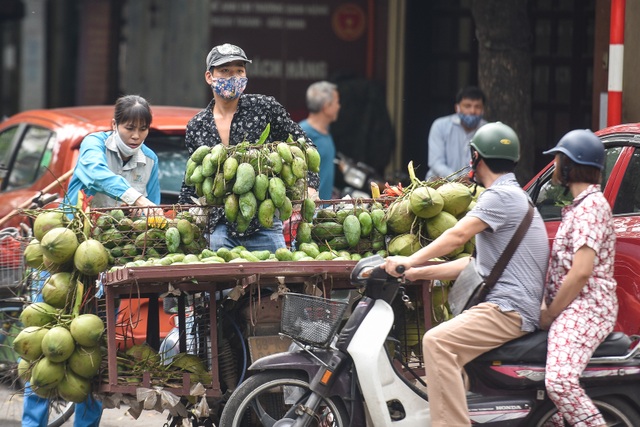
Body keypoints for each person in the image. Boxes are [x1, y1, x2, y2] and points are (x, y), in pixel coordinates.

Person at [383, 122, 550, 427]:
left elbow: (457, 237)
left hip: (507, 309)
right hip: (510, 306)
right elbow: (472, 266)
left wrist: (407, 258)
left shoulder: (500, 197)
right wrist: (417, 273)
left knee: (436, 342)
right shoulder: (512, 196)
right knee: (448, 349)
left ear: (476, 157)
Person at [23, 95, 160, 427]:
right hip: (67, 259)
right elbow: (95, 175)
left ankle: (87, 423)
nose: (136, 135)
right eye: (129, 127)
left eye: (143, 129)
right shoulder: (93, 145)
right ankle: (32, 423)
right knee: (47, 344)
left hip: (107, 263)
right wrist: (135, 198)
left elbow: (151, 210)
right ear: (114, 125)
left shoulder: (150, 161)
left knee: (93, 352)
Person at [178, 43, 319, 252]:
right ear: (209, 76)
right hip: (219, 228)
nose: (233, 77)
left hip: (264, 224)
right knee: (222, 284)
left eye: (239, 70)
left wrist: (310, 185)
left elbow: (303, 144)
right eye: (225, 71)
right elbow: (193, 179)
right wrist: (182, 215)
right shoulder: (197, 125)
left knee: (276, 282)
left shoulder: (265, 108)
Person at [540, 129, 617, 427]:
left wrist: (551, 312)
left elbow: (582, 271)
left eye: (559, 159)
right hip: (577, 307)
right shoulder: (580, 207)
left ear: (571, 165)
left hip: (586, 309)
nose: (556, 166)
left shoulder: (591, 208)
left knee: (559, 382)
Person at [425, 86, 487, 180]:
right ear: (457, 108)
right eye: (467, 106)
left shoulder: (488, 131)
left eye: (477, 107)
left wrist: (471, 180)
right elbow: (436, 163)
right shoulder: (440, 126)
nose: (472, 111)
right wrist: (457, 179)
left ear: (483, 110)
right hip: (441, 184)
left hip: (474, 186)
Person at [299, 81, 340, 201]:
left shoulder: (325, 131)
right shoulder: (302, 133)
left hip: (324, 210)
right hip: (311, 211)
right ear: (326, 106)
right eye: (337, 102)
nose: (339, 106)